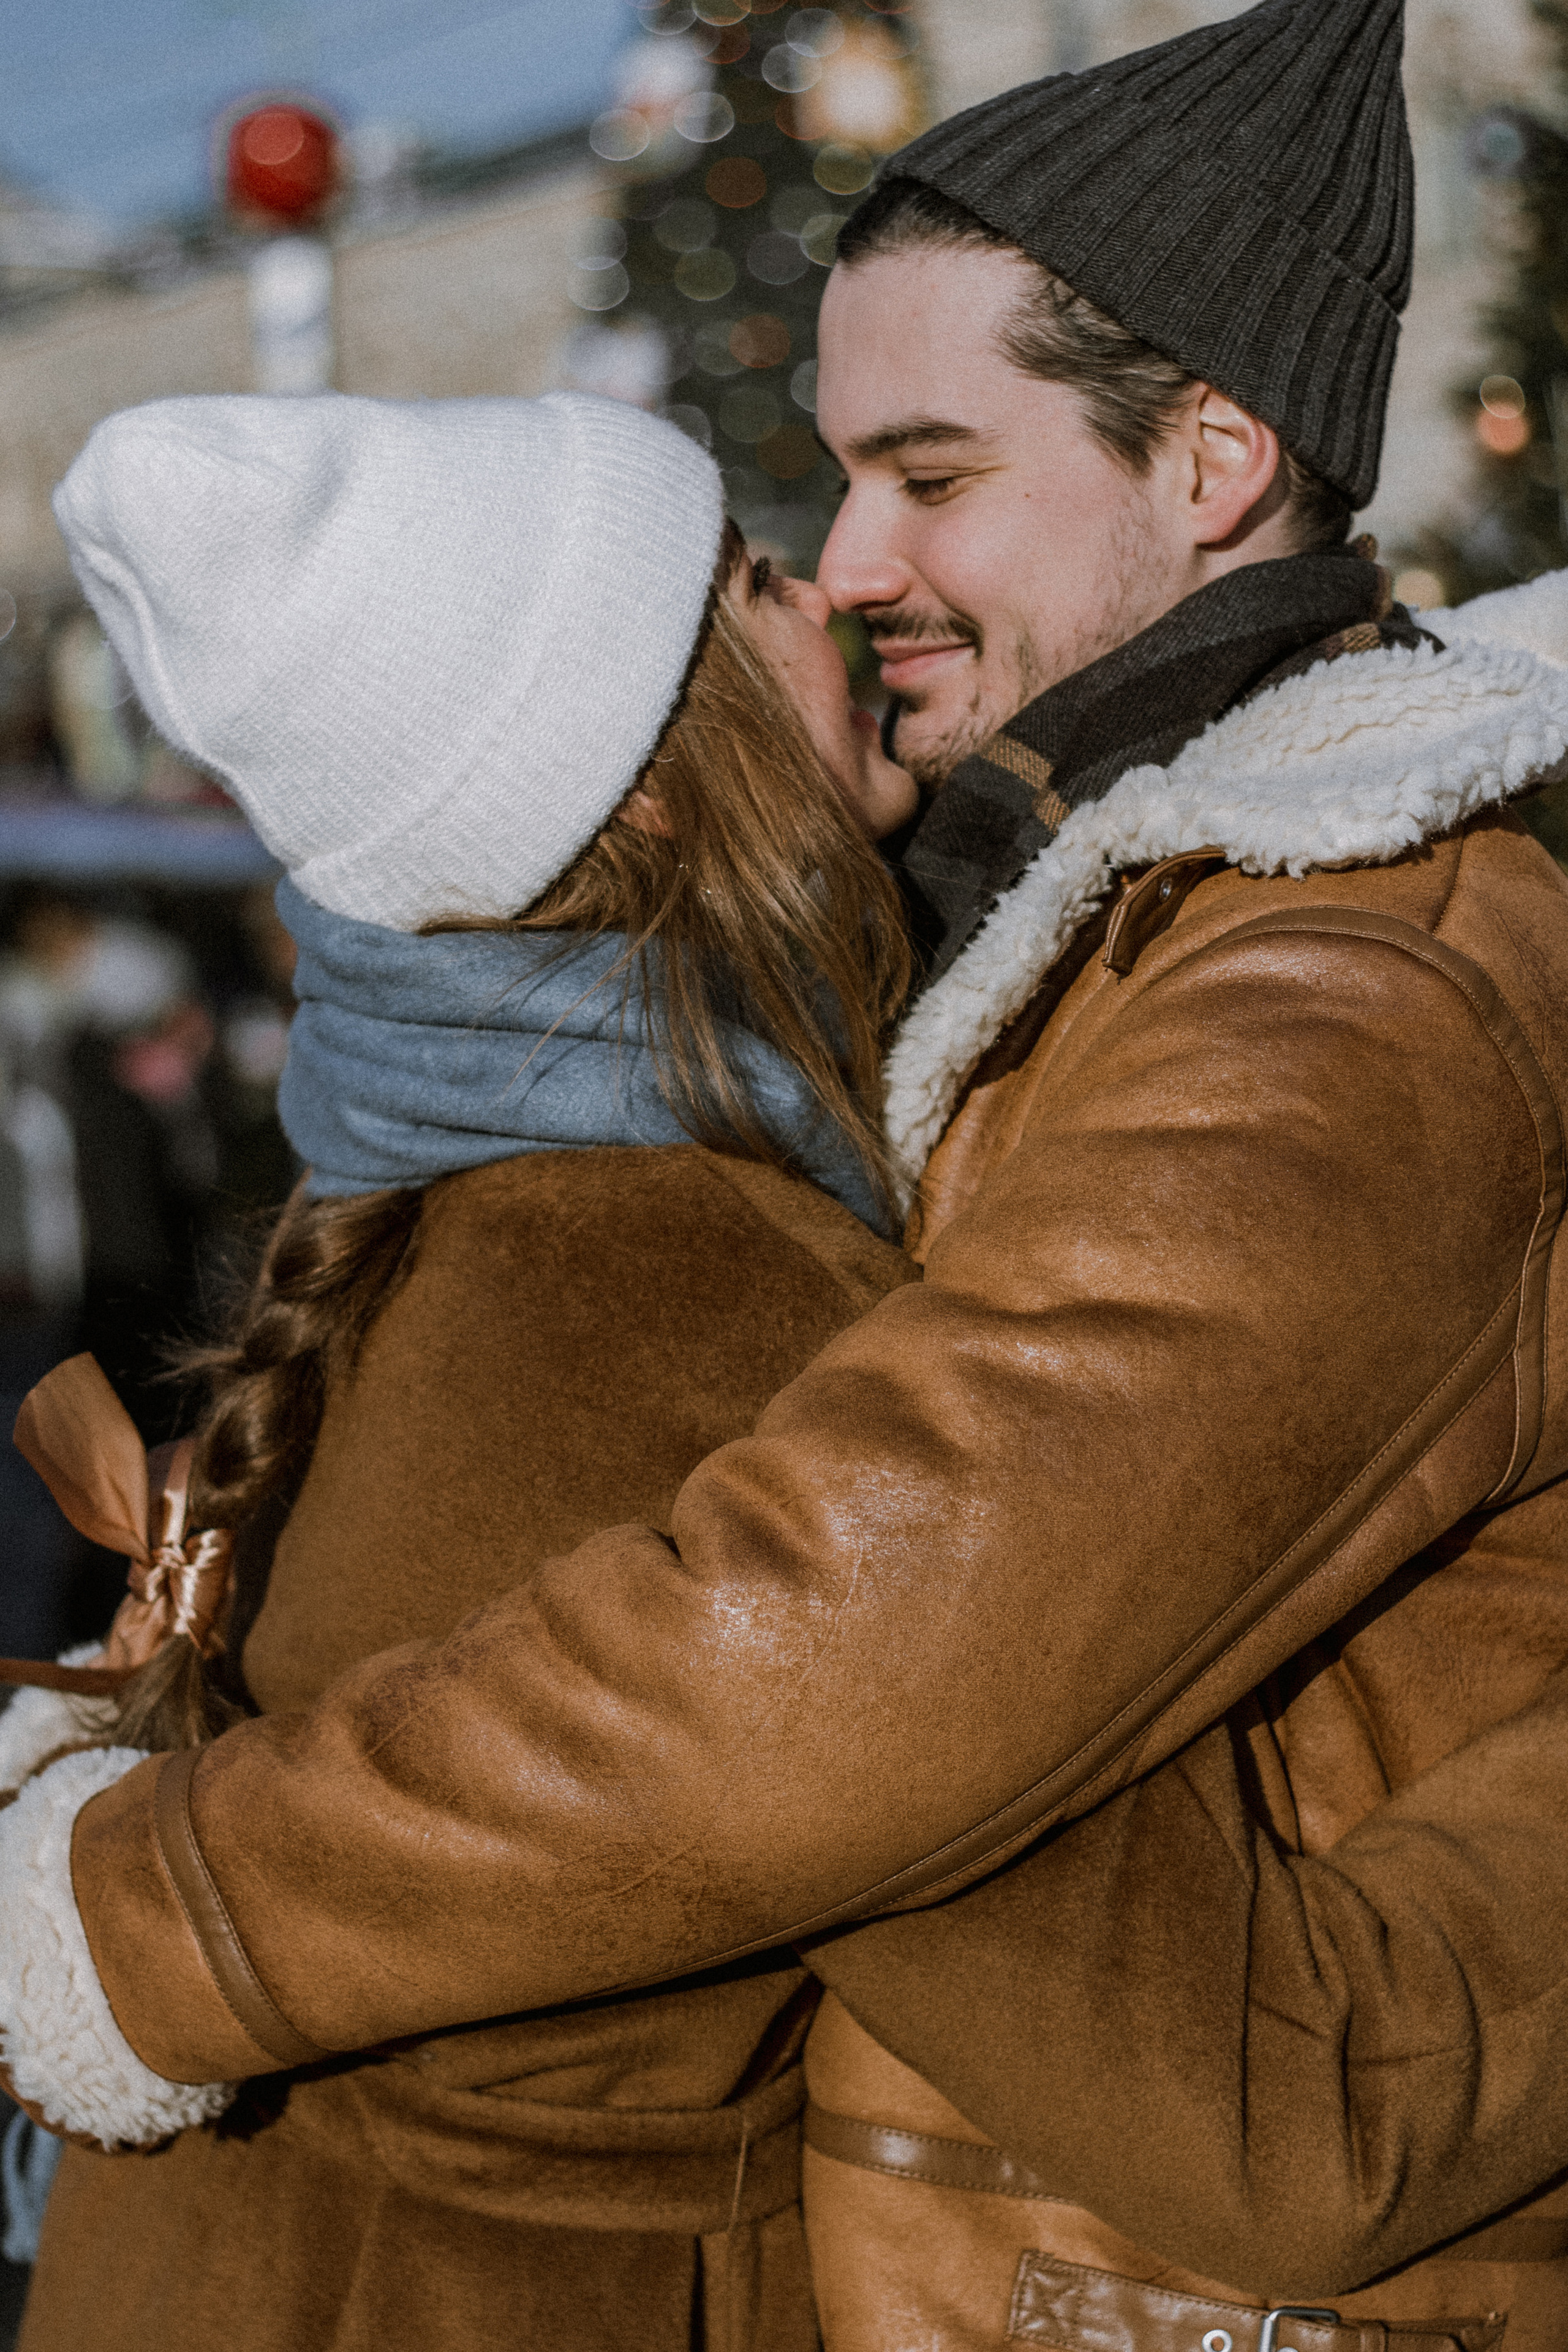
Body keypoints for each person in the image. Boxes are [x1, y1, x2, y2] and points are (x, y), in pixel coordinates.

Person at [9, 0, 1568, 2345]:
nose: (846, 565)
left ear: (1220, 459)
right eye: (805, 511)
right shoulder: (792, 1139)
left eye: (925, 473)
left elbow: (849, 1690)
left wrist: (142, 1919)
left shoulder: (1335, 977)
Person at [0, 386, 920, 2352]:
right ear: (659, 783)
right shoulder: (690, 1265)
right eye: (756, 580)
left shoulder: (442, 1201)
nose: (834, 589)